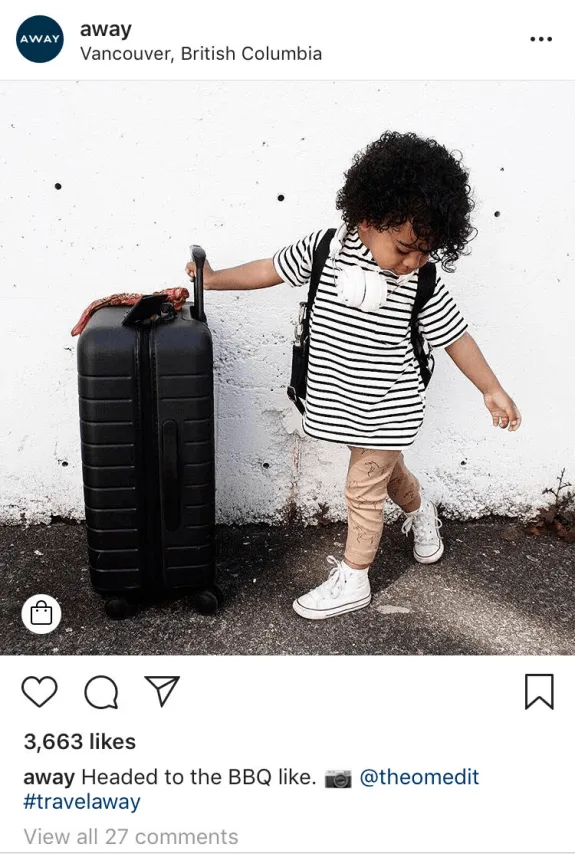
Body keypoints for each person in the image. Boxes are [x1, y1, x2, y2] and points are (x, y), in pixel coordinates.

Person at [185, 131, 521, 621]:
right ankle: (421, 512)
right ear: (368, 219)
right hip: (344, 403)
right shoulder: (325, 250)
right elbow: (268, 270)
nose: (413, 261)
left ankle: (355, 578)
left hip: (390, 403)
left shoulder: (422, 283)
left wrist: (491, 389)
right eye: (404, 247)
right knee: (389, 475)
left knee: (362, 489)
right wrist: (213, 280)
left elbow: (456, 337)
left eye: (425, 251)